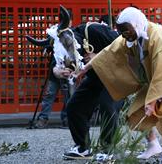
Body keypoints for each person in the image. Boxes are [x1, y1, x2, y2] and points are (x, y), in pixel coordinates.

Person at [75, 7, 162, 164]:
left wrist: (152, 102)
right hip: (155, 80)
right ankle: (153, 145)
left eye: (126, 31)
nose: (125, 35)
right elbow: (108, 53)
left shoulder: (158, 37)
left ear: (137, 24)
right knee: (137, 112)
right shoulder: (132, 35)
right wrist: (85, 68)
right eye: (122, 32)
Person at [44, 10, 124, 160]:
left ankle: (108, 149)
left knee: (107, 104)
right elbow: (55, 67)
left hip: (116, 76)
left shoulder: (94, 30)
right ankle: (83, 146)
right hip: (95, 78)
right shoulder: (60, 44)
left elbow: (123, 47)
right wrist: (59, 71)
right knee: (74, 105)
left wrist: (98, 56)